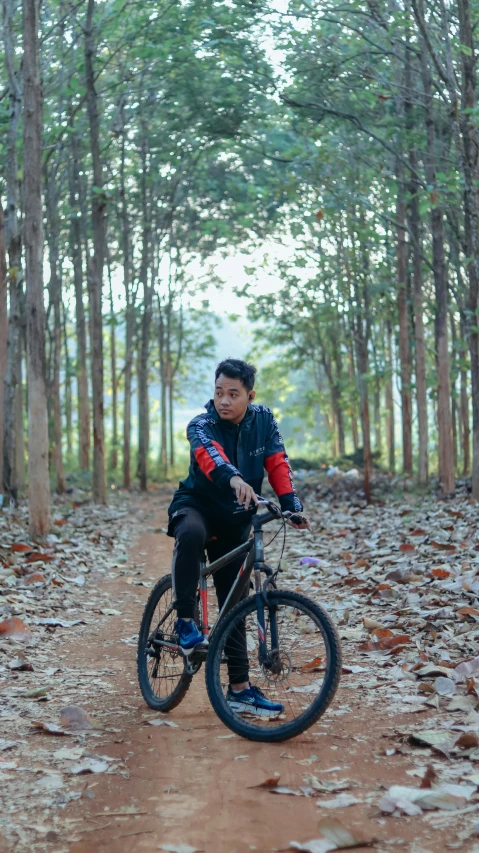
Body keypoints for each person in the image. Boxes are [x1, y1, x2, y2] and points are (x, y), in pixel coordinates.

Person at [167, 358, 309, 716]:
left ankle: (240, 690)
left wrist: (291, 504)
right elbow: (209, 456)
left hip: (236, 519)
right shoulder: (201, 424)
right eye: (218, 393)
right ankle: (185, 622)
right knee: (191, 533)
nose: (224, 400)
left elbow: (277, 461)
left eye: (233, 394)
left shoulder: (264, 420)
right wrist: (233, 478)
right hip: (197, 504)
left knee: (236, 604)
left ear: (250, 395)